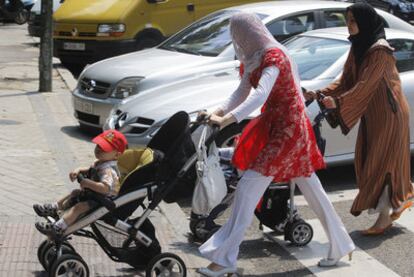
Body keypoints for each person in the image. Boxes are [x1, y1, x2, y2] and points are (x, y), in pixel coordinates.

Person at [197, 12, 355, 276]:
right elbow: (241, 92)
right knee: (311, 188)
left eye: (238, 35)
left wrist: (225, 121)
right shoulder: (256, 57)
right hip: (281, 127)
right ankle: (341, 244)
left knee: (248, 189)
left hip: (289, 131)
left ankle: (224, 260)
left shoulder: (274, 57)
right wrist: (217, 110)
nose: (237, 41)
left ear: (248, 34)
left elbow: (260, 94)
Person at [305, 3, 414, 235]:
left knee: (381, 164)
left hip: (390, 115)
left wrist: (340, 102)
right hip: (373, 114)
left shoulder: (380, 51)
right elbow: (346, 80)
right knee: (370, 161)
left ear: (364, 22)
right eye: (347, 20)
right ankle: (403, 196)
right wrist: (320, 93)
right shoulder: (359, 47)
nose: (349, 25)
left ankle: (384, 218)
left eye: (353, 21)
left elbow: (366, 85)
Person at [33, 129, 128, 238]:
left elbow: (105, 188)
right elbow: (89, 169)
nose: (98, 150)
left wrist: (88, 183)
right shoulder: (101, 162)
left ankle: (58, 227)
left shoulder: (108, 170)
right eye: (98, 146)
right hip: (94, 196)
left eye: (104, 149)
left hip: (103, 201)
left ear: (116, 155)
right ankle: (54, 208)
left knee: (79, 207)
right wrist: (78, 170)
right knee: (74, 192)